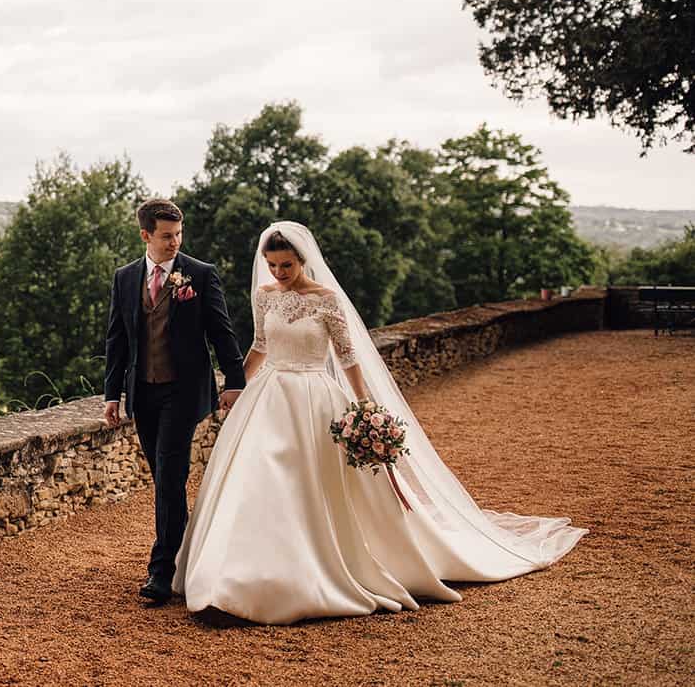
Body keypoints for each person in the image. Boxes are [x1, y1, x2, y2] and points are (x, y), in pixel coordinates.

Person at [172, 220, 587, 624]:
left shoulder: (326, 299)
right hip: (268, 397)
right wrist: (235, 384)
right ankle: (237, 574)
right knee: (258, 478)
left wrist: (364, 407)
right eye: (274, 265)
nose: (280, 273)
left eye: (287, 265)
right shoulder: (264, 296)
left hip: (316, 399)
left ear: (303, 261)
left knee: (313, 482)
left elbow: (348, 356)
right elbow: (261, 345)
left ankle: (314, 570)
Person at [101, 198, 246, 605]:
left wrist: (235, 381)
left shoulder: (200, 274)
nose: (175, 242)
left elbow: (222, 331)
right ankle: (182, 557)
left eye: (179, 234)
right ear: (145, 235)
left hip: (184, 392)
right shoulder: (125, 278)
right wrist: (113, 393)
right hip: (143, 393)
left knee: (168, 474)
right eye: (167, 236)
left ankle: (161, 572)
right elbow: (117, 339)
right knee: (165, 478)